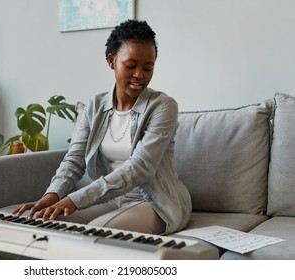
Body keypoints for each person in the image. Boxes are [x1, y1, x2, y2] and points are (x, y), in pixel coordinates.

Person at [12, 19, 191, 235]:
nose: (140, 75)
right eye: (131, 65)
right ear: (111, 60)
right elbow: (75, 160)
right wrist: (53, 195)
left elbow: (140, 167)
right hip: (111, 199)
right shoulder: (94, 107)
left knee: (96, 232)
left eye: (148, 67)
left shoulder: (163, 107)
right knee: (45, 223)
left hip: (154, 201)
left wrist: (76, 199)